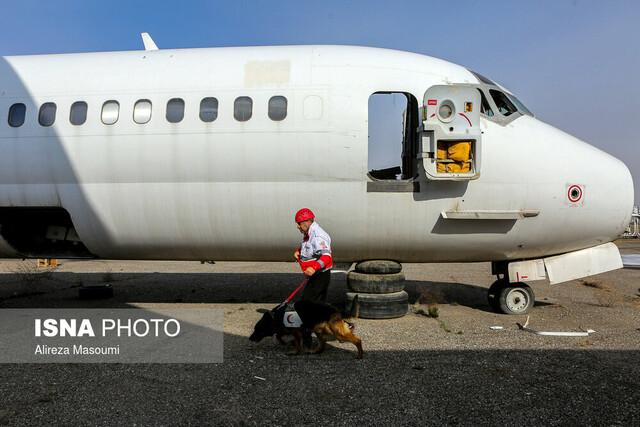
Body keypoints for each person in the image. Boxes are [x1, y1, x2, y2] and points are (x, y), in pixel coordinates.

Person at [293, 208, 333, 303]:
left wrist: (314, 268)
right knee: (313, 302)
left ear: (306, 222)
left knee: (309, 303)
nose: (298, 227)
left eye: (299, 224)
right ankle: (320, 317)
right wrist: (299, 251)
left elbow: (326, 256)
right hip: (315, 274)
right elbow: (311, 247)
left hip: (320, 275)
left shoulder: (317, 236)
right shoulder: (309, 234)